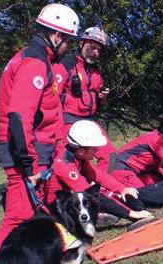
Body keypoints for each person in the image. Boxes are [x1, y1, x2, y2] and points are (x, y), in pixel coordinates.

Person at [0, 3, 80, 264]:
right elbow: (18, 118)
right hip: (28, 157)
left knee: (37, 215)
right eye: (68, 41)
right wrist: (30, 167)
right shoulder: (35, 64)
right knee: (16, 220)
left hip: (39, 154)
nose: (68, 48)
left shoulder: (35, 60)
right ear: (55, 36)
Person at [44, 120, 154, 224]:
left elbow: (98, 175)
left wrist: (122, 189)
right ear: (82, 151)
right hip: (52, 211)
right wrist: (131, 214)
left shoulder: (75, 154)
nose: (97, 151)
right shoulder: (64, 165)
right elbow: (90, 194)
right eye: (94, 148)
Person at [55, 26, 114, 172]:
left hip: (89, 121)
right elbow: (52, 98)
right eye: (92, 47)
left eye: (99, 50)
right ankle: (77, 191)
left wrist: (102, 98)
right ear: (82, 44)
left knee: (111, 156)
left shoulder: (96, 72)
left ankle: (100, 190)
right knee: (71, 161)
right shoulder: (66, 65)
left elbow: (99, 103)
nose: (96, 52)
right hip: (68, 122)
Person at [112, 112, 163, 188]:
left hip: (131, 169)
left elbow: (155, 168)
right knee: (143, 195)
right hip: (119, 167)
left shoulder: (161, 140)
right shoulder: (155, 139)